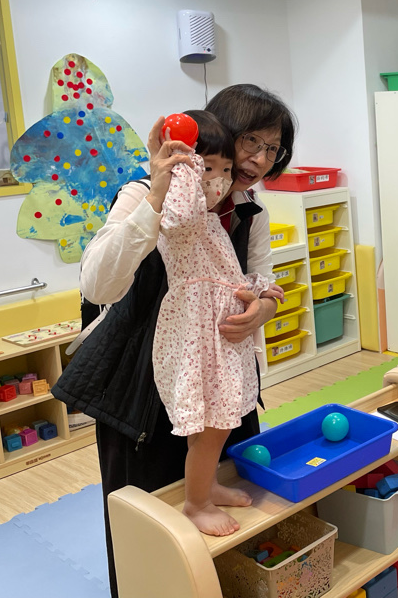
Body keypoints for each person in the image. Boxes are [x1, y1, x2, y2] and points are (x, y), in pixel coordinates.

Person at [52, 84, 296, 596]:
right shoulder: (145, 192)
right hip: (142, 393)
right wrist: (157, 196)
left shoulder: (249, 210)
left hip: (221, 376)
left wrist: (264, 309)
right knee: (147, 540)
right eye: (251, 141)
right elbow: (97, 285)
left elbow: (264, 281)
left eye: (273, 149)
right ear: (216, 134)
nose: (259, 159)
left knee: (232, 538)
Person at [152, 111, 277, 537]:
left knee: (214, 423)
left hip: (216, 333)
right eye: (208, 168)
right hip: (196, 332)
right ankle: (196, 503)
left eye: (225, 170)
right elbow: (178, 214)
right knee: (213, 424)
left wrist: (260, 291)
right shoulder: (181, 215)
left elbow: (228, 273)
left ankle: (206, 488)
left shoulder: (211, 218)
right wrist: (184, 163)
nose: (220, 181)